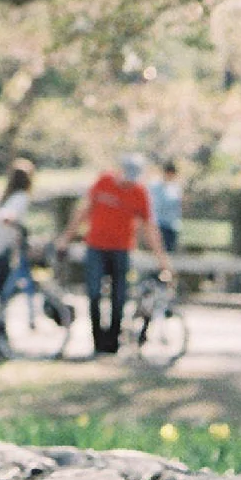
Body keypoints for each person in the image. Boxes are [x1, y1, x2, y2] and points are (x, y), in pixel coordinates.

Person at [61, 152, 173, 356]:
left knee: (118, 296)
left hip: (121, 250)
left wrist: (162, 260)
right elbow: (83, 211)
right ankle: (98, 341)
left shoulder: (139, 193)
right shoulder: (103, 183)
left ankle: (113, 343)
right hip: (96, 247)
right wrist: (66, 238)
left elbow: (150, 228)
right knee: (94, 293)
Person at [0, 161, 38, 304]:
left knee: (2, 282)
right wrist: (21, 228)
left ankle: (1, 312)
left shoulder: (5, 197)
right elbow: (7, 217)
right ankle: (0, 316)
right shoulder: (20, 197)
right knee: (5, 283)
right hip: (1, 246)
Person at [151, 163, 186, 260]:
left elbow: (179, 206)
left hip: (172, 225)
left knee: (170, 252)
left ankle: (167, 273)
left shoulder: (176, 188)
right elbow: (154, 205)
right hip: (159, 224)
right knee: (158, 251)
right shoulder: (156, 187)